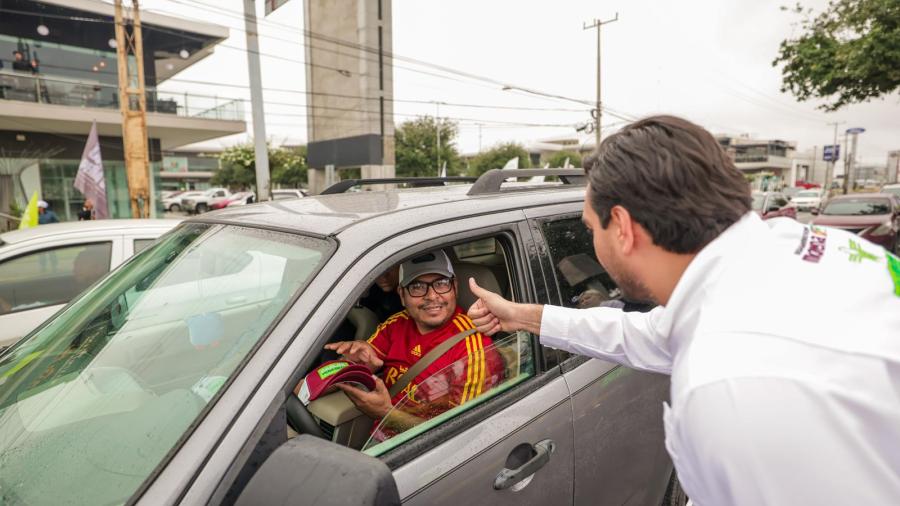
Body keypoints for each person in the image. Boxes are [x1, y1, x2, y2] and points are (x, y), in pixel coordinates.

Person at [466, 115, 900, 505]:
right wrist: (522, 316)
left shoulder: (730, 387)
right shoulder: (794, 247)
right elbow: (648, 333)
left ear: (622, 227)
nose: (591, 243)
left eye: (589, 228)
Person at [324, 250, 504, 437]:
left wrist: (385, 413)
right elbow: (360, 363)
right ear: (402, 295)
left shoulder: (474, 351)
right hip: (377, 439)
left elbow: (457, 436)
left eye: (441, 284)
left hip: (423, 453)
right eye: (417, 286)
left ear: (455, 288)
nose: (432, 296)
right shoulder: (396, 324)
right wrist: (348, 363)